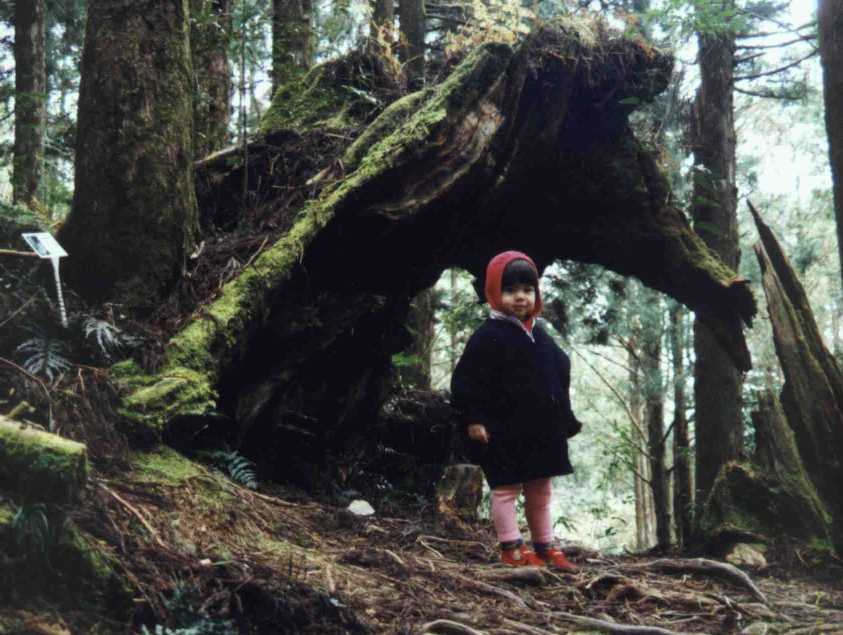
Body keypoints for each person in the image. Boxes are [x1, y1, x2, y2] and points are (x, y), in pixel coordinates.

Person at [451, 250, 583, 570]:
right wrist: (474, 419)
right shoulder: (488, 336)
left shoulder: (539, 334)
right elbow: (467, 381)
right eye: (510, 290)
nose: (520, 297)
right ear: (494, 293)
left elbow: (560, 371)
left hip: (541, 430)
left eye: (527, 289)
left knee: (541, 490)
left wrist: (564, 417)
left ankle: (545, 546)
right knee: (506, 489)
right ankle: (511, 547)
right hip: (503, 429)